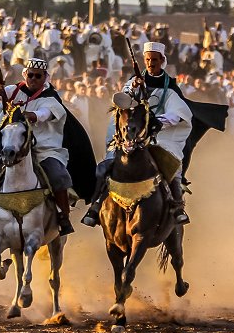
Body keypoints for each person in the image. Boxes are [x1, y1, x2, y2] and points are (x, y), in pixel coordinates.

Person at [0, 58, 93, 237]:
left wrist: (26, 115)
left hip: (44, 150)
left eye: (38, 76)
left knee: (58, 176)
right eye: (30, 75)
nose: (34, 79)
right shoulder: (13, 91)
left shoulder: (51, 98)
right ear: (25, 75)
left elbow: (43, 114)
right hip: (13, 149)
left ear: (45, 77)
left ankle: (63, 217)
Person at [81, 41, 194, 227]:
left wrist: (159, 121)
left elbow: (179, 113)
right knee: (105, 167)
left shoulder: (170, 88)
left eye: (154, 60)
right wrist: (134, 87)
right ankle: (95, 205)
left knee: (172, 166)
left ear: (162, 60)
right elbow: (121, 102)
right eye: (148, 60)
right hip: (131, 135)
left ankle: (177, 206)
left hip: (159, 136)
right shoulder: (133, 82)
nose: (151, 64)